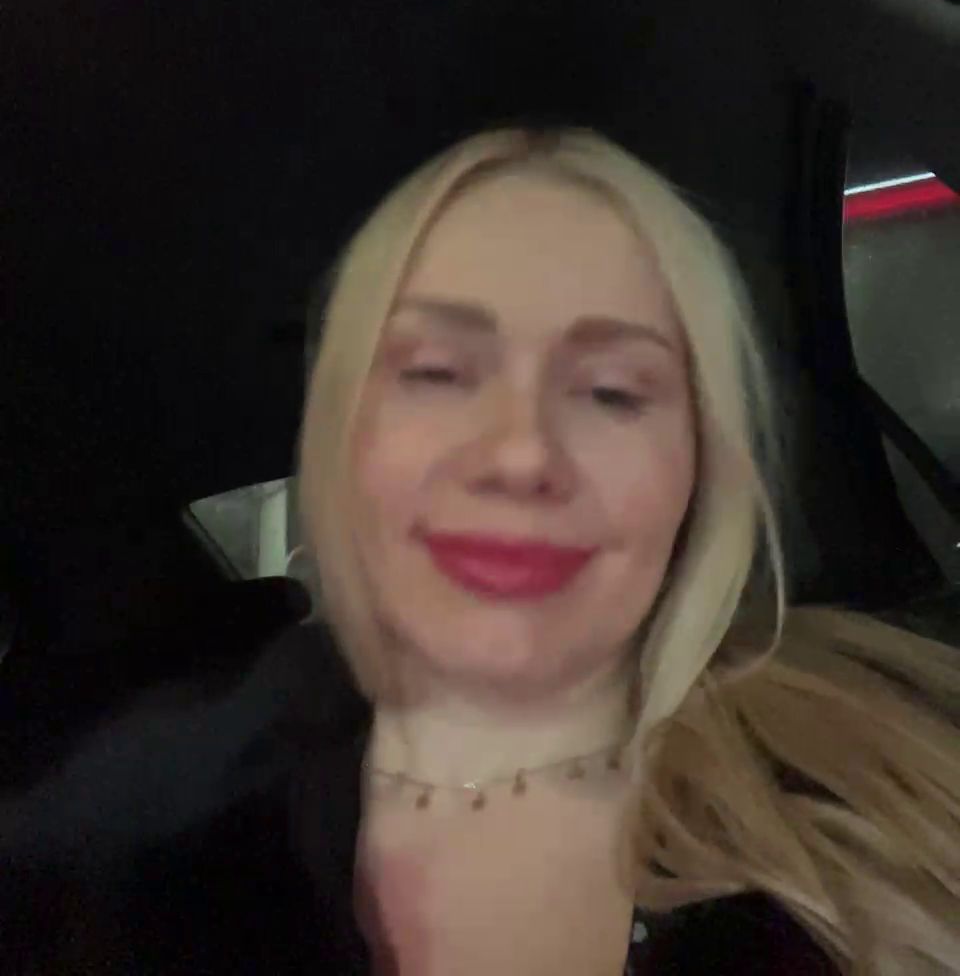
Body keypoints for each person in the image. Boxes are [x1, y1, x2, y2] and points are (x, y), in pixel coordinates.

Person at [4, 120, 959, 974]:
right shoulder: (124, 847)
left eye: (612, 391)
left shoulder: (878, 781)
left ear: (699, 472)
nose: (520, 455)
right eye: (436, 373)